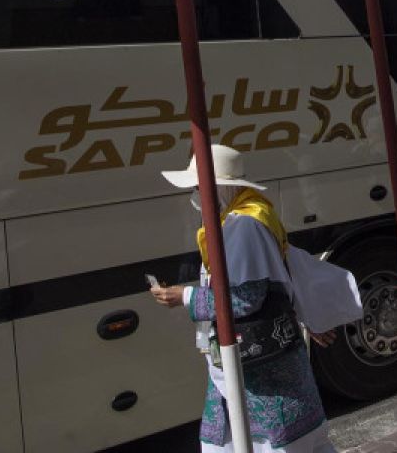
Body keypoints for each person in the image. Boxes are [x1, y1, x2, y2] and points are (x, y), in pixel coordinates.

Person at [150, 145, 359, 453]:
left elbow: (245, 298)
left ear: (218, 187)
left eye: (198, 185)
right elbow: (285, 273)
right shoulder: (250, 216)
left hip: (260, 373)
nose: (194, 193)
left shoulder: (242, 225)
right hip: (253, 370)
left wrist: (185, 296)